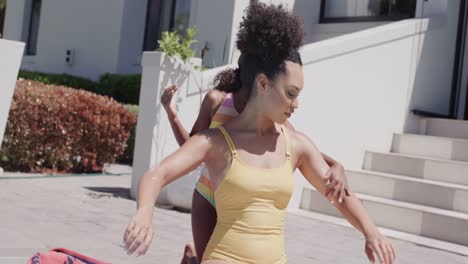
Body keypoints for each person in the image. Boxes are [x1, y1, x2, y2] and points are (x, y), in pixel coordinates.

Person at [124, 2, 396, 263]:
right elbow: (157, 174)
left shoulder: (297, 145)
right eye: (290, 93)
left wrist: (371, 231)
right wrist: (145, 213)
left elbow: (338, 194)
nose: (296, 104)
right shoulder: (216, 142)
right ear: (263, 83)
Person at [162, 56, 350, 264]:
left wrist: (336, 166)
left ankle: (191, 259)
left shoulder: (271, 116)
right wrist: (172, 115)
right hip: (209, 197)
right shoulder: (216, 100)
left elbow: (303, 148)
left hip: (243, 203)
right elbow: (190, 149)